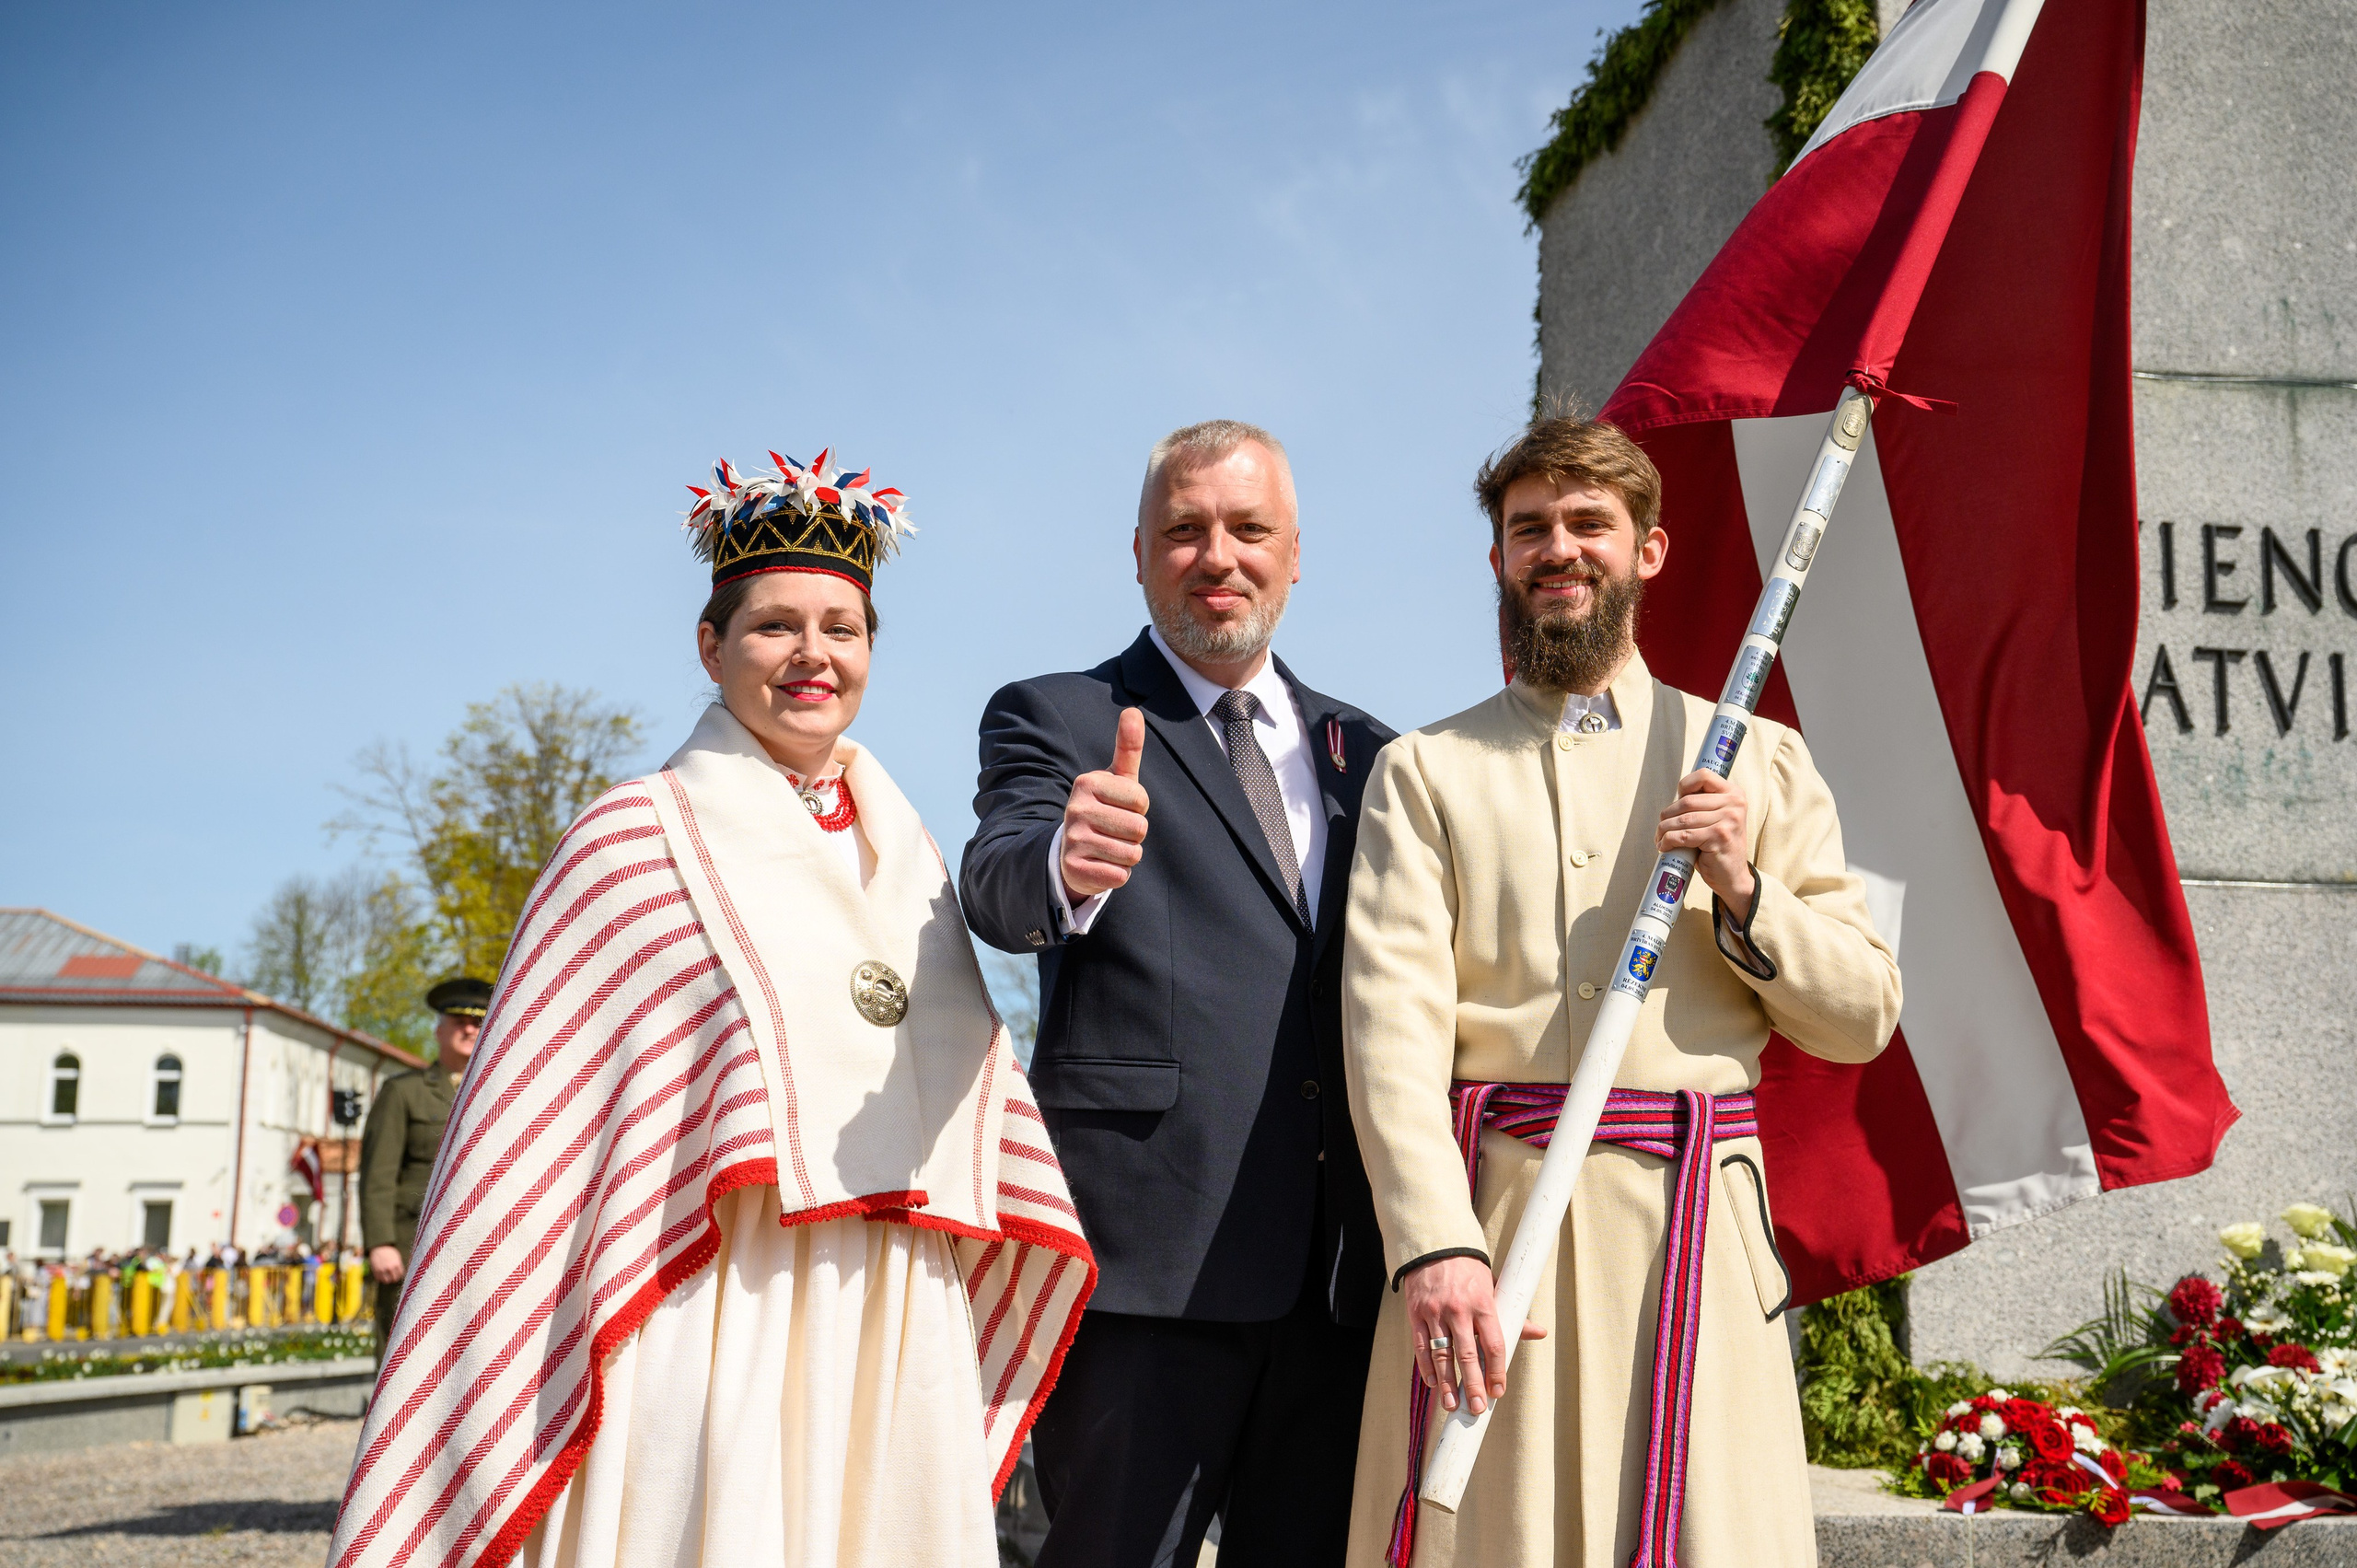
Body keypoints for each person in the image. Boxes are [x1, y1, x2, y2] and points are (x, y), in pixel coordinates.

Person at [330, 447, 1091, 1568]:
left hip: (889, 1303)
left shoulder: (909, 851)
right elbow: (532, 1137)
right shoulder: (629, 839)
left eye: (842, 627)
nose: (812, 655)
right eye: (776, 625)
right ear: (711, 644)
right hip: (708, 1292)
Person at [1340, 416, 1902, 1567]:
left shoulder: (1759, 758)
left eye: (1588, 523)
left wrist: (1744, 887)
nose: (1559, 548)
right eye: (1528, 528)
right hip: (1498, 1237)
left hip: (1696, 1239)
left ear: (1647, 549)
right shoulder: (1424, 772)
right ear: (1497, 558)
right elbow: (1389, 1033)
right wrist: (1434, 1244)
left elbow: (1861, 1015)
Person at [962, 420, 1393, 1567]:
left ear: (1295, 552)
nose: (1219, 556)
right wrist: (1066, 858)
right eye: (1186, 530)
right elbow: (999, 878)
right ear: (1140, 551)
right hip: (1143, 1267)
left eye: (1249, 529)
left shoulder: (1373, 752)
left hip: (1338, 1279)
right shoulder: (1059, 715)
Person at [357, 976, 486, 1353]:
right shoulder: (404, 1091)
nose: (469, 1029)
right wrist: (380, 1242)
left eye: (478, 1022)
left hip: (475, 1246)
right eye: (459, 1021)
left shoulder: (498, 1092)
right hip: (411, 1244)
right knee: (404, 1350)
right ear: (439, 1029)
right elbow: (378, 1173)